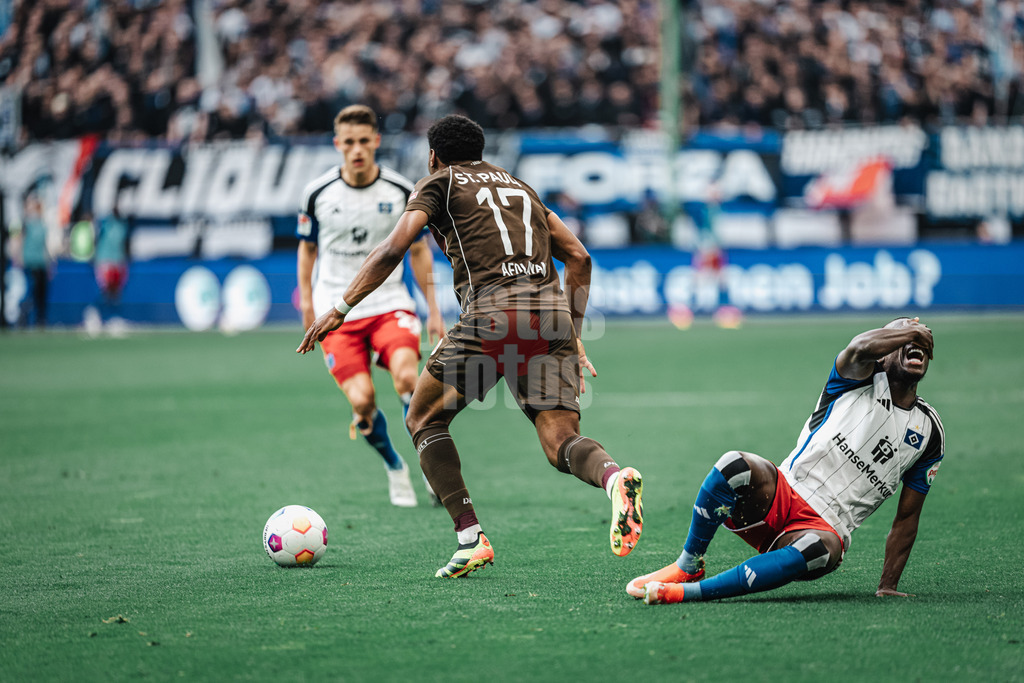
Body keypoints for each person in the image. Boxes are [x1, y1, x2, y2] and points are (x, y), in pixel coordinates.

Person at [297, 114, 645, 578]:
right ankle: (614, 477)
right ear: (480, 151)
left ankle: (470, 538)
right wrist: (574, 334)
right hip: (551, 320)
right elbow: (579, 257)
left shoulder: (438, 183)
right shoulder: (520, 187)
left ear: (433, 156)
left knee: (423, 417)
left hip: (493, 317)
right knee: (559, 440)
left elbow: (392, 249)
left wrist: (340, 307)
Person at [629, 317, 944, 604]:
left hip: (824, 529)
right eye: (901, 336)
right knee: (733, 464)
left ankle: (687, 594)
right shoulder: (856, 376)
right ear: (883, 354)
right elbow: (861, 346)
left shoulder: (929, 432)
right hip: (781, 495)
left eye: (918, 338)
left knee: (820, 549)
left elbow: (907, 517)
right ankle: (688, 566)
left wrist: (888, 585)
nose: (912, 340)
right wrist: (912, 331)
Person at [297, 104, 444, 508]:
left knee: (408, 379)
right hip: (336, 310)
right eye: (349, 142)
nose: (357, 149)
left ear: (376, 141)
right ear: (337, 144)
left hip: (389, 303)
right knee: (362, 402)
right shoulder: (317, 193)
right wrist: (307, 302)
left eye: (364, 141)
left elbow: (420, 251)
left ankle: (430, 464)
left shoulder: (400, 190)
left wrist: (433, 309)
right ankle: (395, 466)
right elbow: (307, 250)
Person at [10, 193, 52, 328]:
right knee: (29, 291)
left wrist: (49, 262)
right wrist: (18, 257)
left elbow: (45, 246)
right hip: (29, 261)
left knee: (41, 293)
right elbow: (19, 241)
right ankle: (23, 319)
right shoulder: (25, 224)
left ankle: (41, 319)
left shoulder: (43, 225)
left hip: (41, 262)